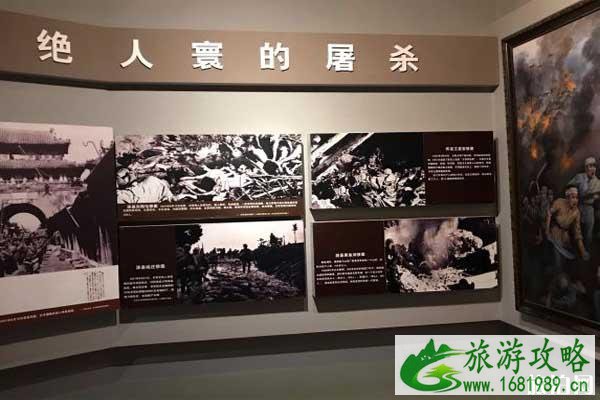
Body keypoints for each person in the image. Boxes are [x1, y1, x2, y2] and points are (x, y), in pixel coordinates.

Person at [545, 186, 589, 276]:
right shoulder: (559, 202)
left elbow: (577, 232)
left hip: (565, 237)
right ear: (567, 198)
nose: (575, 200)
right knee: (558, 262)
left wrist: (583, 251)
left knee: (567, 263)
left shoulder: (576, 212)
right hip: (554, 234)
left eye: (576, 198)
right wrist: (547, 230)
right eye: (573, 197)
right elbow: (549, 213)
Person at [567, 157, 600, 250]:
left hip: (589, 210)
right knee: (576, 231)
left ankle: (586, 251)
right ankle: (575, 251)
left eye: (594, 166)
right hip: (578, 207)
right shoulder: (579, 177)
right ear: (585, 168)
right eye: (590, 166)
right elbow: (568, 187)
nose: (592, 169)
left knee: (588, 234)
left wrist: (596, 198)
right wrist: (574, 193)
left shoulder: (598, 183)